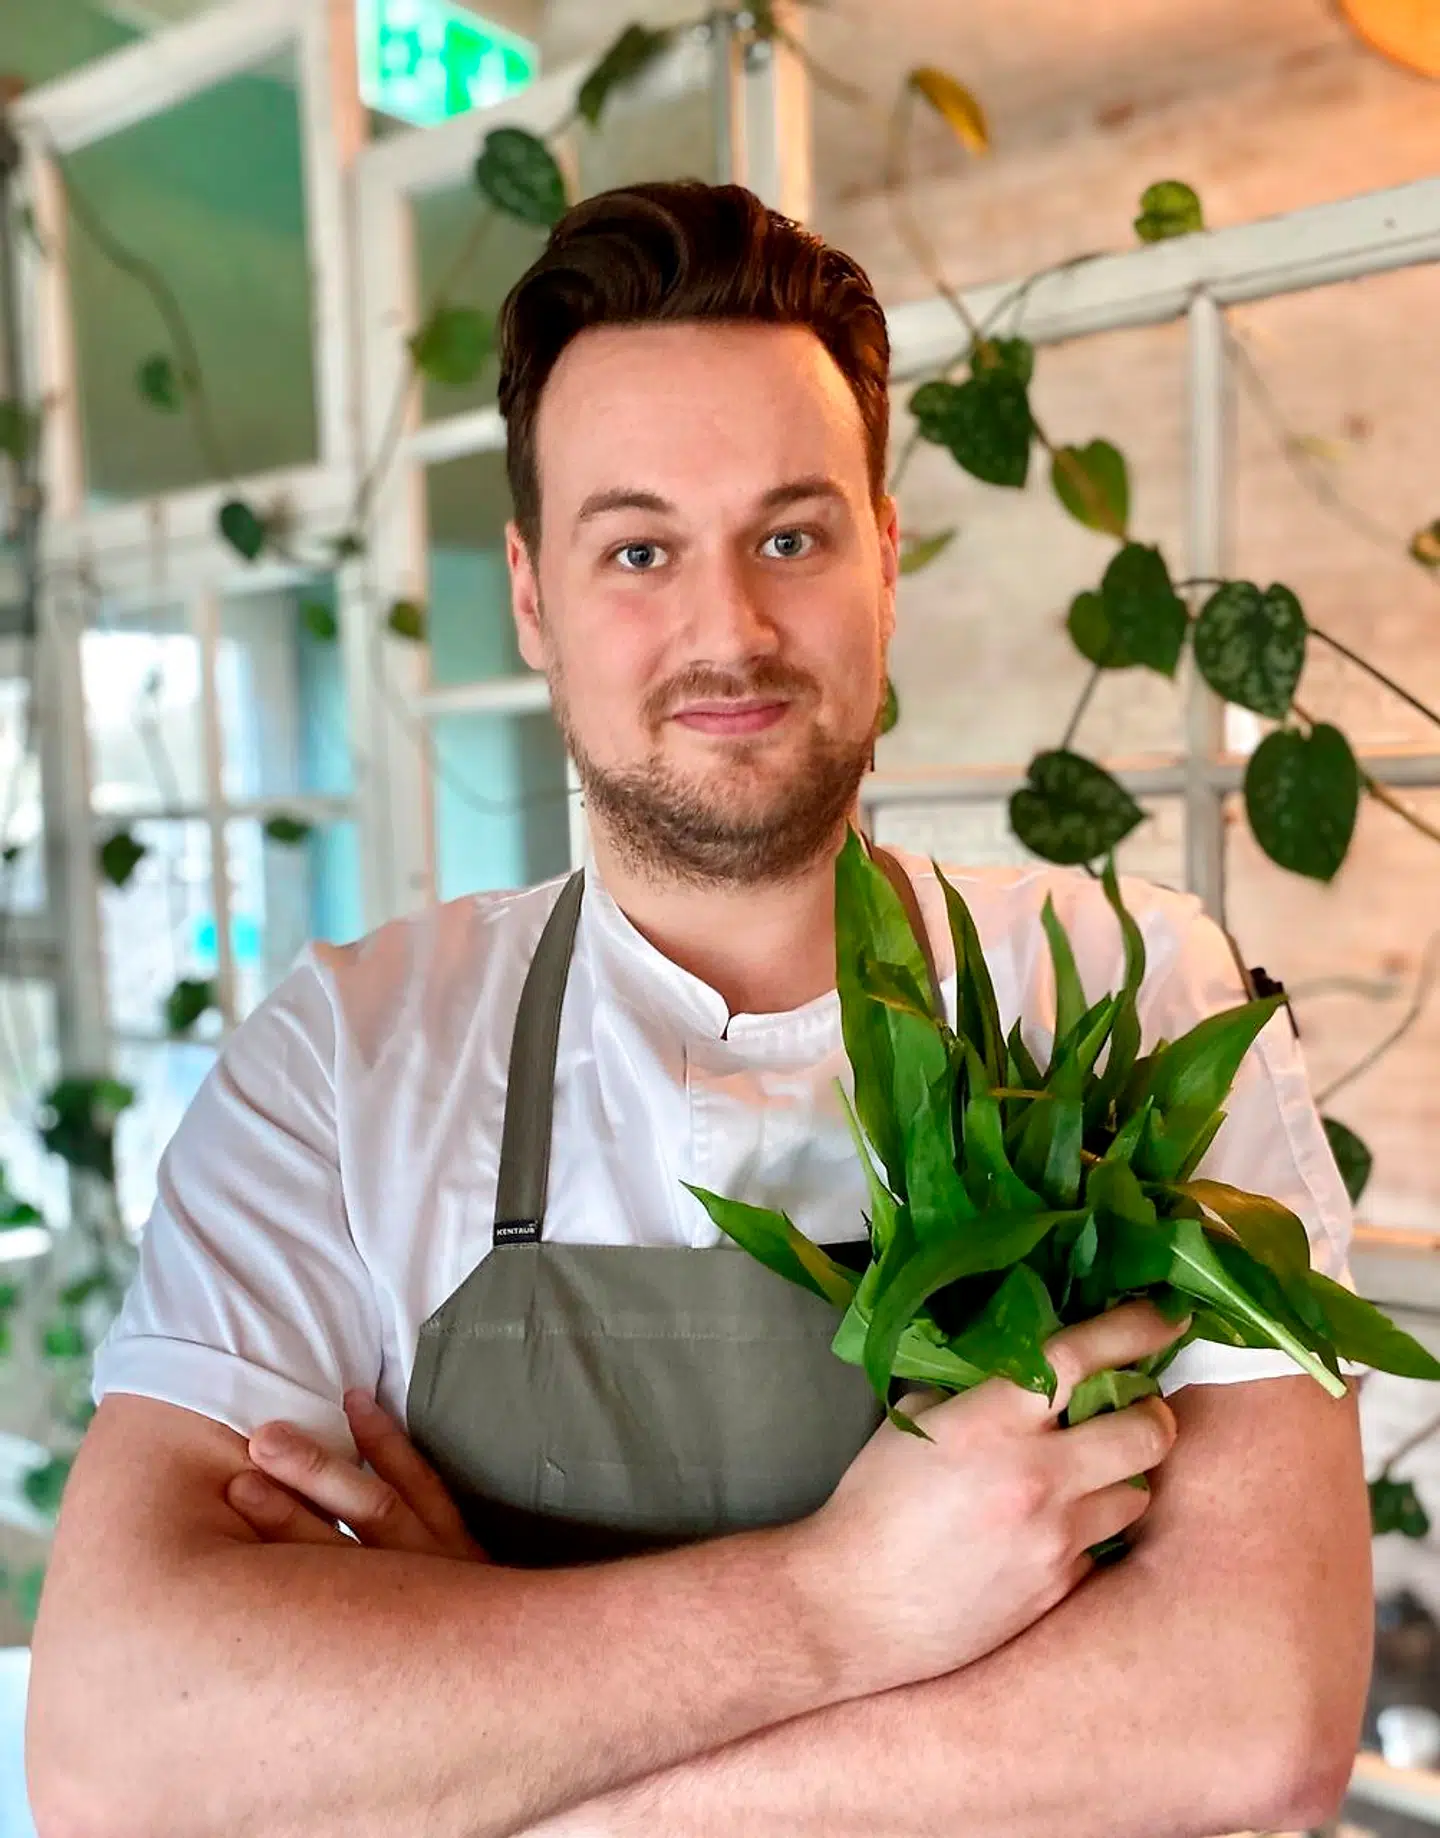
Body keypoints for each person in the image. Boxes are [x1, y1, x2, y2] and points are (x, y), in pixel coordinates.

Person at [27, 181, 1370, 1838]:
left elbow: (1250, 1718)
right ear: (532, 594)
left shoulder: (1136, 987)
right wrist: (839, 1605)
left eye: (790, 537)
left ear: (886, 556)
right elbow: (117, 1749)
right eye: (640, 548)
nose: (727, 627)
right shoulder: (348, 1057)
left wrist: (474, 1765)